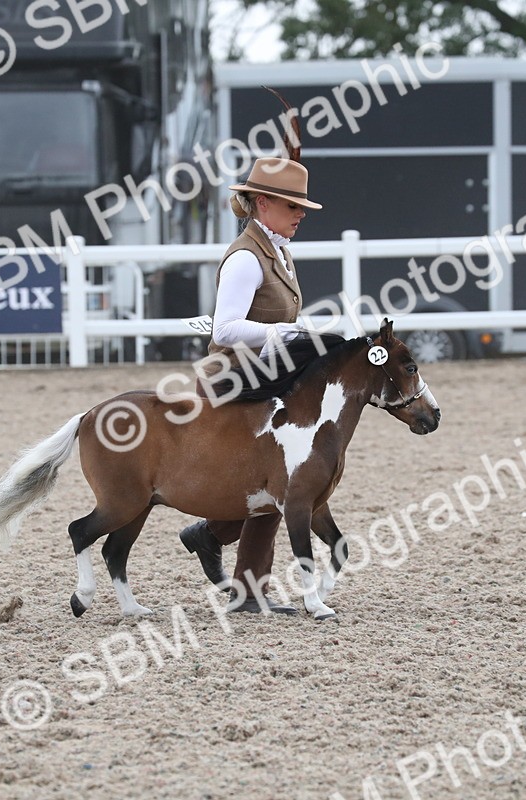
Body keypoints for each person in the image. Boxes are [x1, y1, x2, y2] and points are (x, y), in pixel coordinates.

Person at [179, 153, 322, 615]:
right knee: (274, 487)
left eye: (301, 207)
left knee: (276, 486)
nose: (300, 214)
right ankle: (233, 568)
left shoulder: (278, 250)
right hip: (231, 386)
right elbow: (224, 329)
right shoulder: (246, 258)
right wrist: (285, 332)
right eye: (293, 206)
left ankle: (218, 547)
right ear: (263, 203)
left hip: (263, 382)